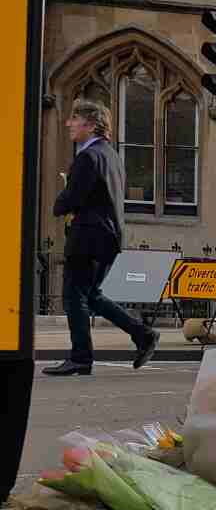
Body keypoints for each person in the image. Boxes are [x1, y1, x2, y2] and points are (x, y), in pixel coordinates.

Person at [43, 99, 159, 377]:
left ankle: (80, 358)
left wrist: (61, 200)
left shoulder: (88, 157)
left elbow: (69, 200)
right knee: (91, 295)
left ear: (91, 124)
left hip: (88, 237)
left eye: (75, 119)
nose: (69, 124)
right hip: (108, 238)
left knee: (74, 296)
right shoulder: (112, 156)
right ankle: (143, 334)